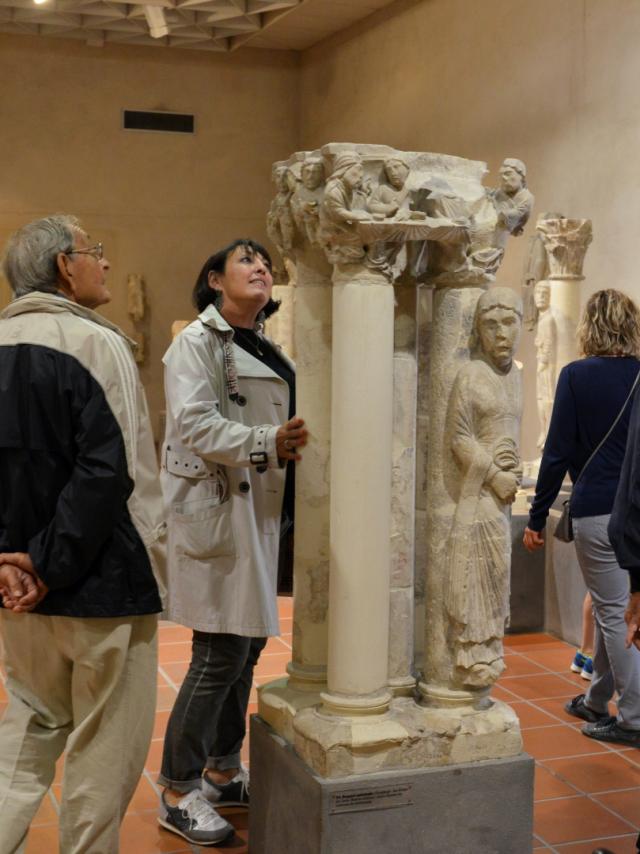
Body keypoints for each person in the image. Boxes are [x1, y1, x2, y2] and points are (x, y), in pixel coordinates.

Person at [0, 214, 166, 853]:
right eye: (94, 251)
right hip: (100, 583)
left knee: (32, 723)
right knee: (103, 747)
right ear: (65, 266)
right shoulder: (96, 343)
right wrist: (50, 561)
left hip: (21, 591)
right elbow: (113, 470)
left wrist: (13, 566)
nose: (103, 261)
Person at [157, 238, 307, 846]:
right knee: (217, 654)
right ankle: (176, 787)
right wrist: (269, 440)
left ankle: (222, 769)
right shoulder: (195, 343)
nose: (261, 269)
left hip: (262, 512)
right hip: (222, 511)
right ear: (214, 279)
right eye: (246, 260)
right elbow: (193, 424)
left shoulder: (261, 342)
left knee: (243, 650)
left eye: (265, 262)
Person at [524, 289, 640, 748]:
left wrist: (537, 516)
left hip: (597, 509)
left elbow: (556, 454)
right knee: (614, 605)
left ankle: (632, 718)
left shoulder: (576, 376)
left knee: (613, 612)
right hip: (636, 509)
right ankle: (597, 699)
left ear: (589, 326)